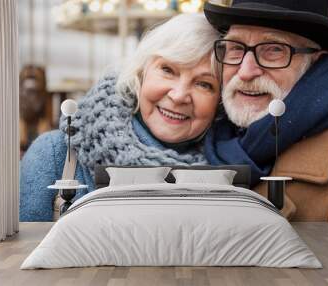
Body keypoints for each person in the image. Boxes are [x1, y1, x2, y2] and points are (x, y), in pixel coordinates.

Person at [20, 13, 221, 222]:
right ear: (141, 74)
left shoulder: (236, 173)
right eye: (168, 70)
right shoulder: (55, 156)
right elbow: (20, 251)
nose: (179, 95)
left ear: (220, 101)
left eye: (204, 84)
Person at [203, 0, 328, 220]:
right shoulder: (201, 136)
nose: (245, 72)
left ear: (315, 61)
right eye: (235, 48)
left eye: (274, 49)